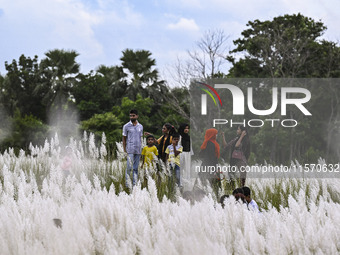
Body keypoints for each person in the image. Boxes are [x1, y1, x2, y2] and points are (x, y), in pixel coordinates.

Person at [122, 109, 143, 187]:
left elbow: (141, 138)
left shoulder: (140, 126)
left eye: (133, 115)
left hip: (138, 150)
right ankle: (127, 184)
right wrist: (124, 151)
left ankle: (134, 185)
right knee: (129, 168)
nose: (131, 117)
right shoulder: (126, 126)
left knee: (135, 168)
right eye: (130, 115)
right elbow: (124, 139)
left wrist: (141, 151)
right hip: (130, 150)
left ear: (137, 116)